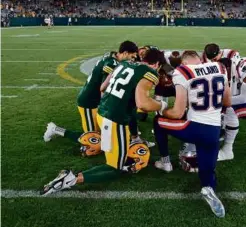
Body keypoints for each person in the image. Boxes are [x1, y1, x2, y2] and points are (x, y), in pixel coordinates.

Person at [41, 49, 168, 196]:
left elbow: (103, 87)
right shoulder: (149, 72)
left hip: (103, 113)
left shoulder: (124, 64)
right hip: (116, 119)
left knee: (113, 156)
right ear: (157, 64)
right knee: (116, 168)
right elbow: (143, 104)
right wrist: (162, 106)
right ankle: (72, 179)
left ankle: (73, 175)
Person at [153, 50, 231, 218]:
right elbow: (227, 102)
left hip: (194, 129)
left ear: (184, 62)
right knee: (207, 171)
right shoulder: (219, 67)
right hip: (214, 132)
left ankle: (165, 161)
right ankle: (208, 188)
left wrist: (162, 109)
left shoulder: (183, 71)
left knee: (158, 122)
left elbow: (177, 112)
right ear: (200, 61)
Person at [43, 41, 138, 145]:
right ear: (125, 53)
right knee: (93, 140)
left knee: (104, 136)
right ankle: (55, 129)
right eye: (131, 56)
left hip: (95, 100)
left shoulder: (112, 56)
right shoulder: (111, 64)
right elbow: (104, 90)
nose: (132, 60)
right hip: (89, 102)